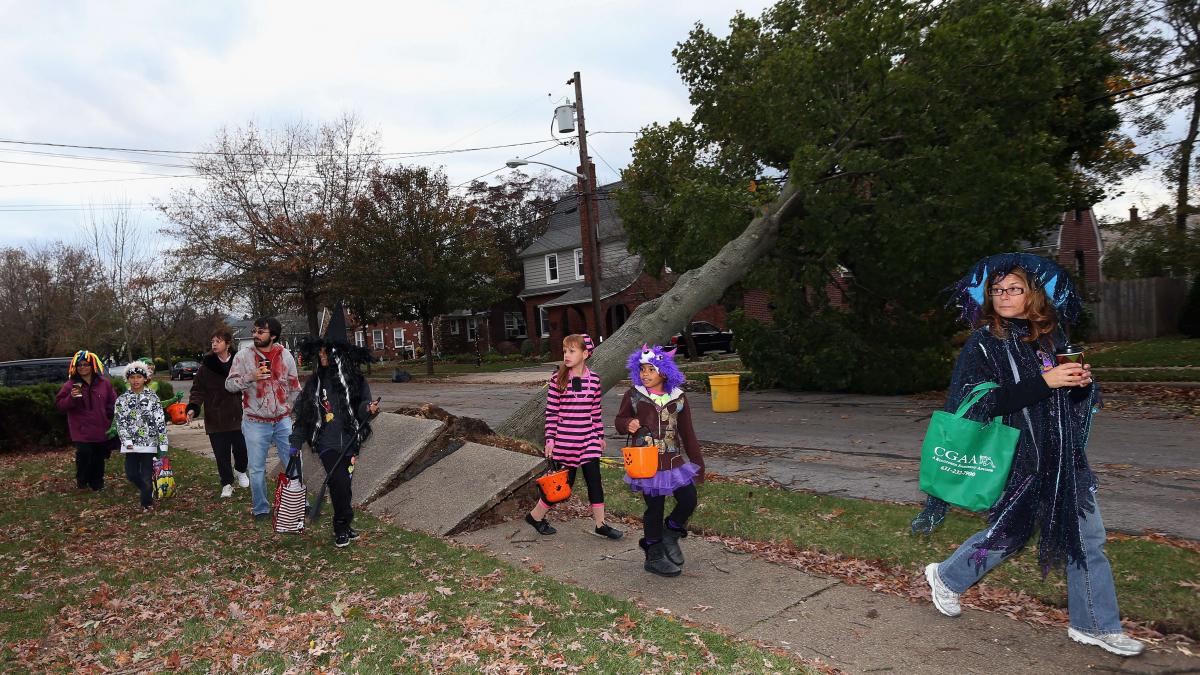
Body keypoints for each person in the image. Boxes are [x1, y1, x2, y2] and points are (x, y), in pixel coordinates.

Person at [914, 253, 1144, 657]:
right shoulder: (984, 344)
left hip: (1065, 460)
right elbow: (982, 403)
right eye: (997, 290)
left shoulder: (1051, 339)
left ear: (1032, 294)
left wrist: (1080, 385)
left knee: (1088, 539)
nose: (1003, 295)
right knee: (1007, 534)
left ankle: (1094, 624)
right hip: (1021, 458)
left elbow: (1066, 402)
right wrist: (1045, 381)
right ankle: (948, 577)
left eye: (1013, 289)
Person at [614, 344, 705, 577]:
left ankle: (671, 533)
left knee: (688, 499)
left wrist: (698, 464)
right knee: (654, 506)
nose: (645, 374)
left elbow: (688, 433)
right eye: (642, 369)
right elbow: (619, 420)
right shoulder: (634, 395)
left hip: (673, 460)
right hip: (647, 462)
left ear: (664, 372)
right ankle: (653, 552)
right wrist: (627, 425)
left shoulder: (678, 397)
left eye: (650, 370)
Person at [288, 317, 379, 547]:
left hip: (350, 442)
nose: (322, 357)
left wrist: (369, 409)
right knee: (337, 482)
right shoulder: (315, 383)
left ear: (337, 354)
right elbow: (304, 415)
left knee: (344, 486)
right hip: (326, 443)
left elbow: (362, 406)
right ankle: (340, 527)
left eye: (326, 353)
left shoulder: (356, 381)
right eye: (319, 354)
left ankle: (346, 524)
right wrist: (296, 442)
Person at [524, 334, 623, 540]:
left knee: (595, 482)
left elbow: (595, 412)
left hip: (588, 441)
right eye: (565, 351)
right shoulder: (557, 380)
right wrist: (550, 439)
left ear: (585, 354)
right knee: (562, 490)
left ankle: (600, 524)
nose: (566, 355)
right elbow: (552, 413)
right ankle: (535, 516)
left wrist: (599, 435)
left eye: (572, 351)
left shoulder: (594, 380)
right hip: (564, 443)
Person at [225, 317, 301, 521]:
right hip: (255, 421)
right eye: (255, 331)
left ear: (273, 336)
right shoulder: (243, 356)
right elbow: (229, 385)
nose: (255, 335)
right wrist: (250, 377)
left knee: (293, 463)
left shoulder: (285, 355)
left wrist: (298, 414)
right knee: (257, 468)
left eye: (261, 332)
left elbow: (294, 387)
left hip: (283, 420)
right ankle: (261, 509)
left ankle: (300, 504)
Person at [186, 329, 249, 498]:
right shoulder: (206, 367)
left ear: (227, 344)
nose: (214, 344)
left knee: (242, 449)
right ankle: (227, 483)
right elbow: (197, 389)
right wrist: (193, 407)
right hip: (216, 416)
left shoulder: (239, 362)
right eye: (212, 341)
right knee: (221, 454)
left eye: (218, 341)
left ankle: (241, 470)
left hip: (238, 414)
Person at [54, 350, 117, 491]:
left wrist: (108, 413)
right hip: (80, 429)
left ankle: (97, 482)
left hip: (100, 427)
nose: (82, 367)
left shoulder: (104, 383)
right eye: (79, 365)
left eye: (86, 364)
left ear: (92, 366)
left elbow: (113, 401)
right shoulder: (71, 385)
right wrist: (71, 397)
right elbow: (60, 404)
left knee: (98, 456)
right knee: (84, 453)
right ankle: (82, 480)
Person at [114, 361, 168, 510]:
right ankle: (146, 489)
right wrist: (126, 440)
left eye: (139, 377)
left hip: (149, 444)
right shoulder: (122, 399)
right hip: (130, 445)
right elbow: (120, 422)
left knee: (146, 474)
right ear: (128, 379)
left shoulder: (153, 398)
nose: (136, 380)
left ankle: (146, 503)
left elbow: (160, 421)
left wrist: (163, 443)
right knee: (131, 474)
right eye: (132, 377)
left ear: (145, 378)